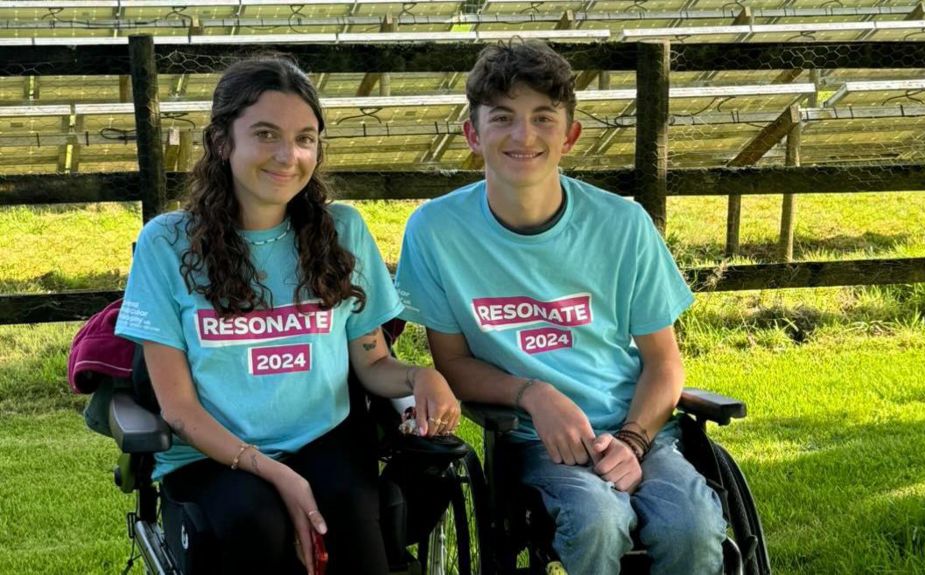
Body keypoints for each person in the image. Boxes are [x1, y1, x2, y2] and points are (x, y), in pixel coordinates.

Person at [115, 56, 460, 575]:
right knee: (257, 525)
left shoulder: (341, 232)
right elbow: (179, 409)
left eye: (305, 138)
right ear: (223, 141)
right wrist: (275, 473)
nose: (288, 155)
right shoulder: (168, 243)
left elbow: (371, 363)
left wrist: (419, 375)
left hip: (325, 437)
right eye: (266, 134)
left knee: (354, 529)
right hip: (211, 451)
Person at [395, 40, 726, 575]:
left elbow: (664, 362)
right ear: (472, 134)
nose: (523, 136)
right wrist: (535, 394)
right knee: (595, 520)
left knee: (692, 528)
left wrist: (634, 440)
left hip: (640, 430)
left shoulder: (622, 223)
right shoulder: (435, 231)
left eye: (542, 118)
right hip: (532, 440)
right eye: (502, 118)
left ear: (569, 135)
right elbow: (452, 364)